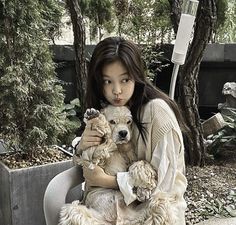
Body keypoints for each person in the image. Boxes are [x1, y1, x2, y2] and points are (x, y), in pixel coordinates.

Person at [77, 36, 187, 224]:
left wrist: (104, 180)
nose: (117, 90)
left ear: (137, 76)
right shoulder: (109, 113)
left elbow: (162, 186)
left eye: (125, 79)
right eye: (107, 81)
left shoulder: (157, 112)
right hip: (114, 210)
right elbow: (92, 164)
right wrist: (82, 146)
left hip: (157, 215)